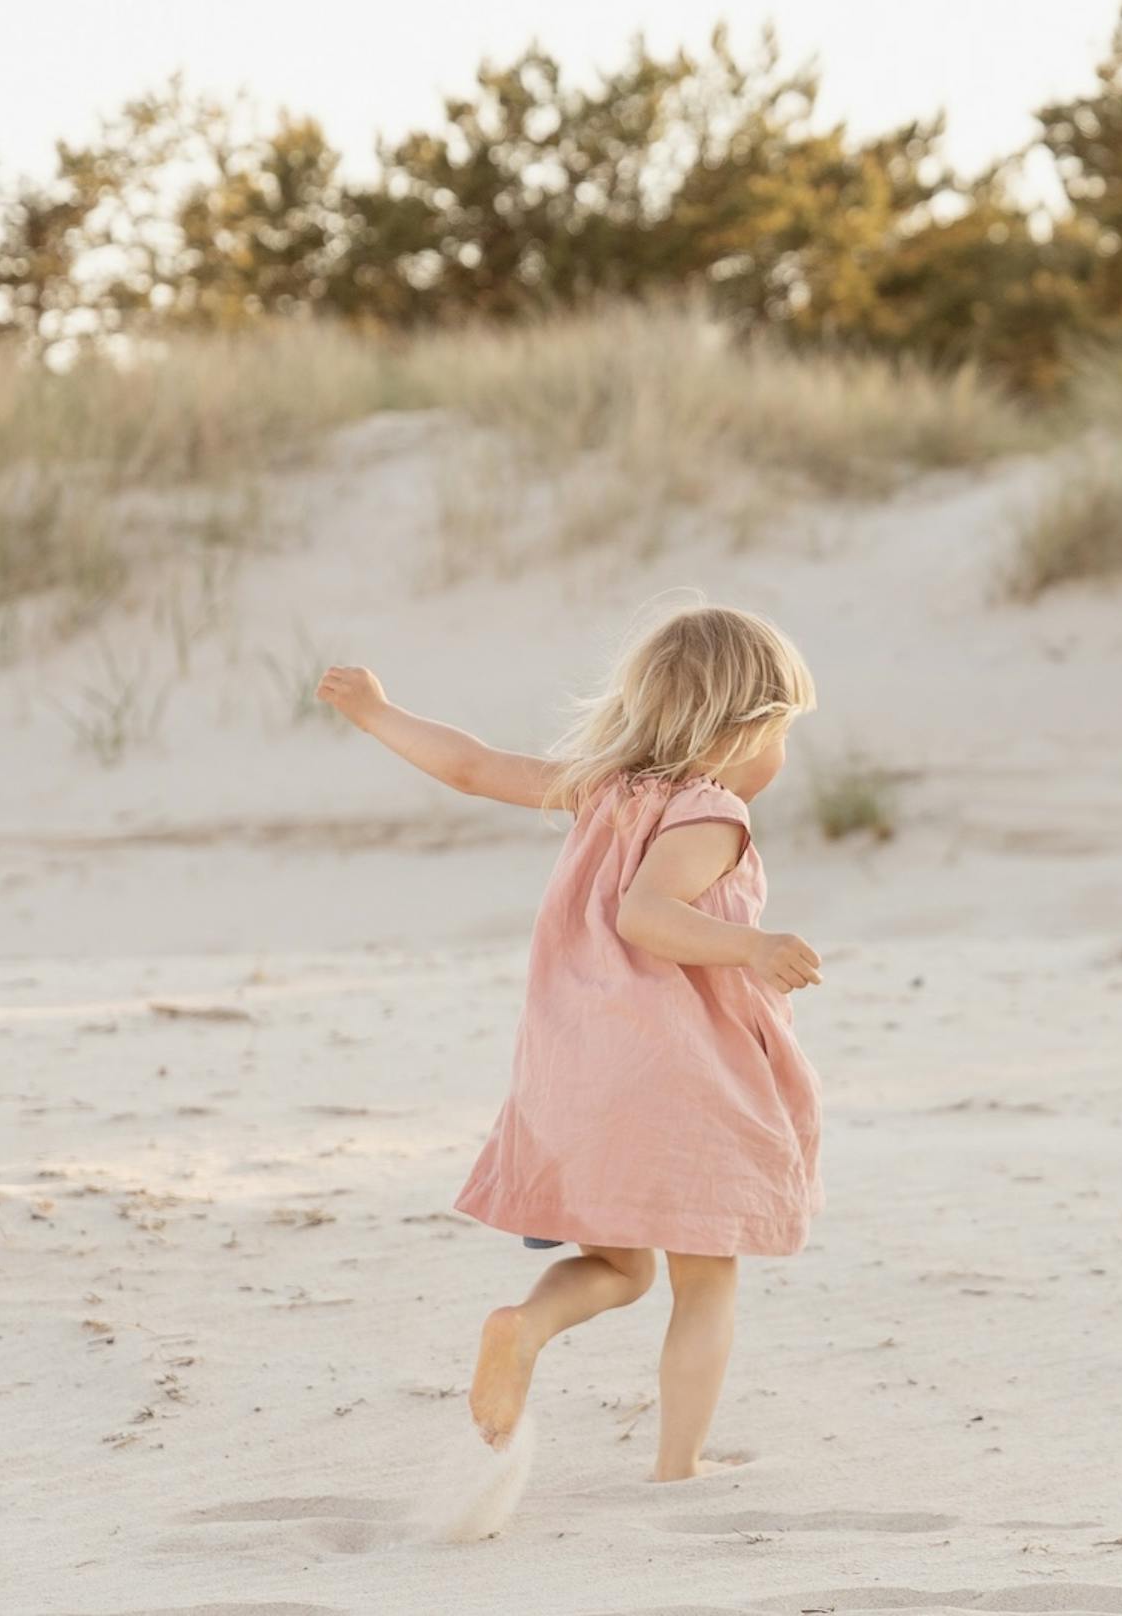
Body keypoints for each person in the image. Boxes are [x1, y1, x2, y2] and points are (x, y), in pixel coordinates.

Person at [318, 603, 824, 1486]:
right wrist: (754, 945)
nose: (780, 757)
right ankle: (679, 1465)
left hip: (579, 1072)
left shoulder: (603, 786)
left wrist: (376, 714)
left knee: (619, 1266)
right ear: (743, 728)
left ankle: (529, 1326)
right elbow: (647, 916)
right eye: (782, 734)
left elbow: (471, 767)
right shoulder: (711, 813)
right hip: (680, 1078)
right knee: (704, 1281)